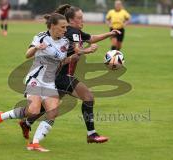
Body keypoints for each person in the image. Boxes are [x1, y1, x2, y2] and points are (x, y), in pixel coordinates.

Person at [17, 4, 121, 144]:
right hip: (62, 76)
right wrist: (88, 50)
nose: (82, 20)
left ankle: (27, 123)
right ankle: (92, 134)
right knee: (88, 98)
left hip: (56, 75)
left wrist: (110, 34)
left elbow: (91, 38)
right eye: (79, 18)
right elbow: (78, 50)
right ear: (71, 20)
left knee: (47, 107)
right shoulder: (72, 32)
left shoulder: (73, 31)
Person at [0, 13, 79, 152]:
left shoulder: (65, 42)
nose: (65, 30)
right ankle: (1, 116)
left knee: (53, 112)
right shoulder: (41, 37)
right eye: (63, 27)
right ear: (53, 26)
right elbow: (27, 54)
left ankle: (34, 143)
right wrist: (37, 47)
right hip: (35, 79)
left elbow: (61, 61)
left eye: (66, 27)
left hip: (49, 82)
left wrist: (79, 54)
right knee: (33, 111)